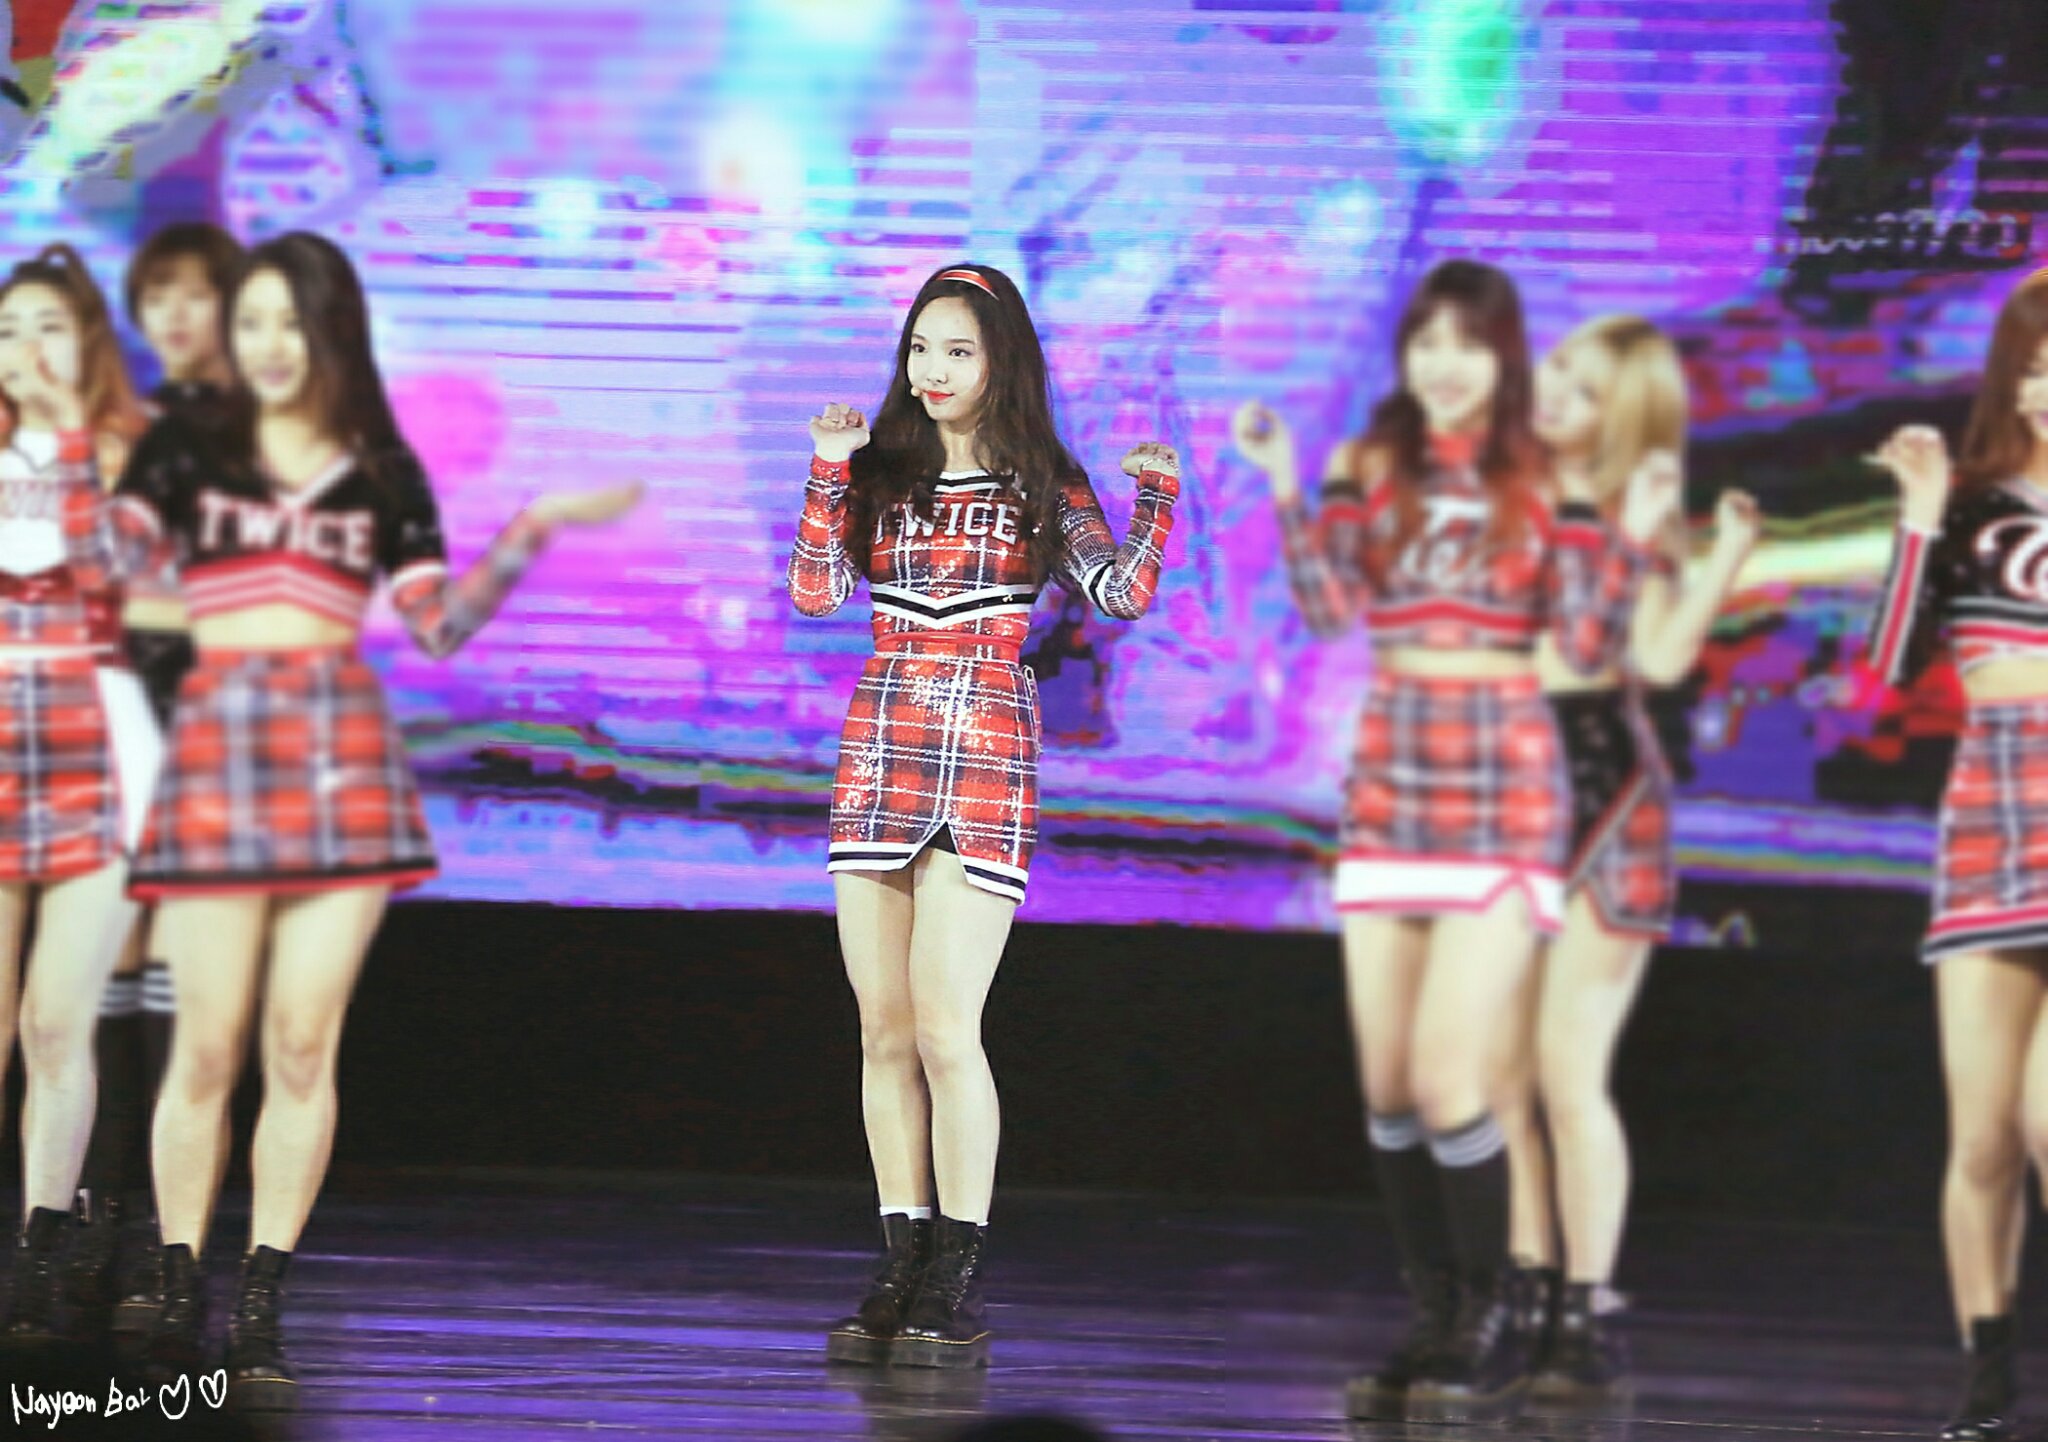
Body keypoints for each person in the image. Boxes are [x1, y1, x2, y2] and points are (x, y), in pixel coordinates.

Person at [74, 229, 640, 1410]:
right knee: (206, 1046)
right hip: (218, 752)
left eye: (291, 321)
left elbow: (438, 625)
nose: (269, 344)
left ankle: (261, 1299)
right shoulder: (183, 449)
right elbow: (105, 582)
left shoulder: (383, 467)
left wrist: (533, 528)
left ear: (332, 330)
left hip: (340, 762)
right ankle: (176, 1284)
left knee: (299, 1044)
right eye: (251, 321)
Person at [1232, 259, 1676, 1425]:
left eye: (1466, 344)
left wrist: (1624, 536)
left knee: (1447, 1075)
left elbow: (1584, 637)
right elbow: (1328, 607)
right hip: (1391, 777)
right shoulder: (1370, 462)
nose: (1442, 364)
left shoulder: (1544, 475)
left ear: (1500, 356)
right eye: (1424, 341)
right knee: (1386, 1086)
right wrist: (1284, 485)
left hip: (1502, 784)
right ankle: (1434, 1318)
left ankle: (1492, 1317)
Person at [790, 262, 1180, 1370]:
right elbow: (816, 592)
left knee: (945, 1025)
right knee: (882, 1029)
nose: (934, 369)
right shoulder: (877, 471)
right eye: (921, 348)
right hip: (881, 745)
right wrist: (826, 469)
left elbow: (1119, 591)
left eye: (957, 350)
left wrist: (1156, 500)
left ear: (1000, 360)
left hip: (986, 755)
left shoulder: (1042, 481)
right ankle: (897, 1259)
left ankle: (954, 1275)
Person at [1493, 315, 1761, 1405]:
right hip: (1507, 796)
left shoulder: (1628, 515)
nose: (1556, 391)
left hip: (1605, 802)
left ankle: (1584, 1306)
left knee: (1566, 1071)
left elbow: (1637, 654)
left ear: (1626, 413)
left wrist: (1717, 555)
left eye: (1587, 387)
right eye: (1557, 370)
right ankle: (1523, 1294)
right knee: (1501, 1080)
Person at [1864, 268, 2048, 1442]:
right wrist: (1918, 514)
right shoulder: (1975, 511)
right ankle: (1985, 1372)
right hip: (1991, 822)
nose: (2044, 384)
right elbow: (1888, 662)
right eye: (2029, 363)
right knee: (1979, 1133)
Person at [63, 219, 248, 1343]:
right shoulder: (121, 430)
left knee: (186, 998)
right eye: (160, 297)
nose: (177, 316)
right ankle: (101, 1218)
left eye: (197, 296)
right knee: (105, 980)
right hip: (113, 710)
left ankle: (174, 1250)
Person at [0, 242, 155, 1344]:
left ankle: (37, 1259)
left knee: (57, 1020)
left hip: (94, 763)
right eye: (8, 330)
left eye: (48, 327)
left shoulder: (128, 460)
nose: (26, 348)